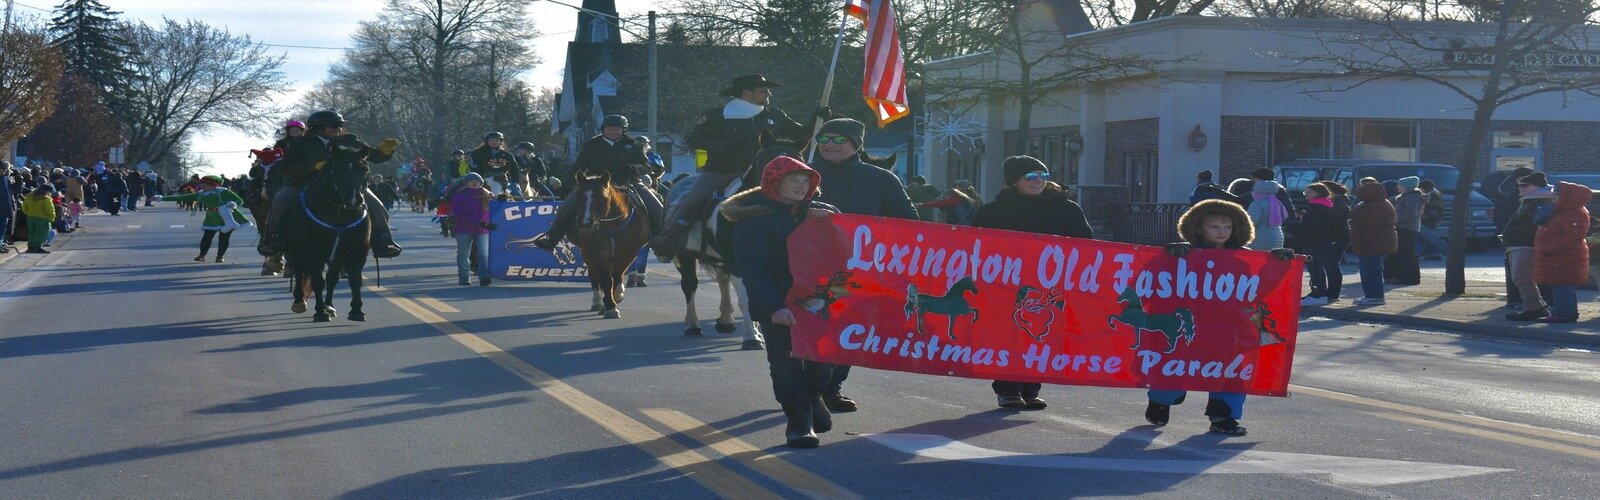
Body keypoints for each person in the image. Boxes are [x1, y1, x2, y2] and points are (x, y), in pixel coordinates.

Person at [1151, 199, 1294, 436]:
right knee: (1175, 366)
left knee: (1231, 369)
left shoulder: (1244, 259)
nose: (1221, 232)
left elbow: (1257, 290)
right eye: (1214, 226)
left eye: (1227, 227)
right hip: (1188, 324)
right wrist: (1168, 257)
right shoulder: (1182, 254)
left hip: (1229, 327)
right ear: (1197, 227)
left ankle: (1224, 415)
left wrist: (1279, 264)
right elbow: (1154, 283)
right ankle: (1160, 400)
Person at [808, 117, 920, 412]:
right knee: (808, 327)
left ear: (856, 144)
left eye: (839, 139)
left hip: (859, 268)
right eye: (824, 139)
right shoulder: (803, 175)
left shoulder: (881, 178)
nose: (830, 145)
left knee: (847, 328)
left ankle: (831, 388)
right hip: (806, 264)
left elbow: (908, 221)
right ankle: (805, 388)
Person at [728, 155, 839, 448]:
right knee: (786, 364)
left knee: (821, 362)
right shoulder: (753, 222)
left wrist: (829, 216)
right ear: (775, 182)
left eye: (806, 181)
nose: (801, 186)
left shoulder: (820, 213)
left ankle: (814, 396)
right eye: (794, 180)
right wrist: (772, 306)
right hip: (779, 303)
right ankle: (798, 421)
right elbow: (754, 270)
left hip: (818, 301)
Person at [649, 74, 814, 258]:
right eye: (763, 90)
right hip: (721, 170)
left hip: (764, 173)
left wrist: (817, 118)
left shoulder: (775, 116)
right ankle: (670, 235)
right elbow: (694, 139)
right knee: (697, 195)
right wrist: (727, 144)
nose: (768, 93)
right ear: (746, 93)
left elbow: (800, 134)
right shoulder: (716, 115)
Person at [974, 155, 1093, 409]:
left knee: (1043, 332)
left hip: (1051, 285)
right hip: (1007, 285)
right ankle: (1007, 388)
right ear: (1014, 181)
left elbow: (1086, 243)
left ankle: (1031, 387)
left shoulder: (1067, 208)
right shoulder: (993, 211)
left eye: (1043, 175)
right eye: (1031, 176)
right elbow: (975, 247)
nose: (1039, 180)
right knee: (1009, 334)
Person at [257, 110, 402, 258]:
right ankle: (272, 239)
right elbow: (287, 166)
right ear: (319, 128)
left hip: (347, 184)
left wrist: (385, 151)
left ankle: (383, 240)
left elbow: (373, 156)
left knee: (378, 206)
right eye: (333, 126)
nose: (338, 129)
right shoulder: (299, 144)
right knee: (281, 201)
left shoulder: (350, 141)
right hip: (303, 183)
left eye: (340, 125)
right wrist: (313, 167)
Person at [531, 115, 665, 251]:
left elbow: (646, 166)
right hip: (594, 184)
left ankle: (661, 240)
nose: (612, 132)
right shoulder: (592, 145)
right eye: (609, 129)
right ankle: (552, 237)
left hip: (628, 182)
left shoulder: (634, 146)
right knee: (569, 204)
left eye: (616, 129)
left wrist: (633, 168)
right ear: (603, 129)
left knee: (655, 206)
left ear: (623, 131)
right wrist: (566, 185)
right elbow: (578, 166)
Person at [154, 175, 251, 262]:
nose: (200, 185)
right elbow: (183, 197)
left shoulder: (224, 192)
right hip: (211, 217)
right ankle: (202, 255)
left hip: (226, 216)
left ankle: (220, 256)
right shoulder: (201, 194)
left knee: (224, 237)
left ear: (211, 184)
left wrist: (232, 205)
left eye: (203, 183)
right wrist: (162, 198)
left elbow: (239, 201)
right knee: (207, 237)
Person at [1533, 182, 1592, 323]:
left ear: (1567, 196)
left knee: (1562, 285)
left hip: (1563, 256)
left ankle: (1562, 313)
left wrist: (1549, 249)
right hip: (1558, 256)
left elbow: (1572, 237)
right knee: (1562, 284)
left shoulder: (1574, 213)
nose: (1553, 196)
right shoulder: (1561, 210)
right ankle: (1568, 313)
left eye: (1557, 194)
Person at [1349, 182, 1398, 305]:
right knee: (1369, 270)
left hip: (1375, 243)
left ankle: (1375, 296)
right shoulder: (1377, 204)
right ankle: (1371, 295)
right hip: (1372, 242)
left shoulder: (1378, 206)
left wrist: (1355, 209)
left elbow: (1361, 219)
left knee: (1371, 270)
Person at [449, 173, 496, 286]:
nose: (474, 182)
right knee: (463, 254)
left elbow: (497, 207)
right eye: (471, 180)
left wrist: (502, 199)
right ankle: (464, 278)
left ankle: (484, 277)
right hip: (464, 229)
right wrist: (479, 223)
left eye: (477, 180)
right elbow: (459, 214)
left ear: (481, 182)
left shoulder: (487, 194)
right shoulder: (459, 195)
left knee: (483, 254)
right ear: (466, 183)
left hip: (482, 230)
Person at [1296, 183, 1338, 306]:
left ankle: (1318, 294)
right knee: (1317, 268)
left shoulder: (1315, 207)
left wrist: (1296, 227)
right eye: (1305, 192)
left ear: (1317, 193)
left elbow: (1310, 227)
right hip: (1322, 241)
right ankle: (1318, 293)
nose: (1306, 195)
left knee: (1315, 269)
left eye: (1309, 192)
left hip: (1313, 242)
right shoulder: (1326, 205)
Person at [1388, 176, 1424, 286]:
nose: (1397, 186)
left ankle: (1410, 278)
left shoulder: (1411, 198)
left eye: (1400, 184)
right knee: (1403, 253)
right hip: (1405, 228)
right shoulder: (1406, 197)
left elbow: (1411, 213)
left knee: (1407, 254)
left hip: (1407, 228)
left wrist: (1396, 220)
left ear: (1406, 186)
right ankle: (1405, 277)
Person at [470, 132, 520, 196]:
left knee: (517, 192)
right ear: (487, 141)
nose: (494, 142)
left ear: (500, 141)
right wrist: (478, 176)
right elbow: (473, 165)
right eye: (491, 140)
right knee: (460, 186)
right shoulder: (478, 153)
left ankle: (523, 204)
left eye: (497, 140)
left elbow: (514, 168)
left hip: (503, 180)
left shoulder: (507, 155)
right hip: (482, 179)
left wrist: (515, 181)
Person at [1246, 177, 1289, 250]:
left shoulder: (1257, 203)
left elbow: (1252, 222)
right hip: (1278, 236)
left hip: (1260, 237)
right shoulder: (1277, 203)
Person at [916, 179, 980, 226]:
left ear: (959, 187)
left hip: (961, 227)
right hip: (969, 226)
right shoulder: (973, 198)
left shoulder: (960, 198)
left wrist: (923, 205)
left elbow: (944, 203)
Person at [21, 184, 57, 254]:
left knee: (32, 233)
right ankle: (37, 247)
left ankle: (30, 247)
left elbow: (24, 207)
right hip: (43, 218)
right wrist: (52, 217)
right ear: (47, 191)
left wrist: (28, 213)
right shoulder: (45, 198)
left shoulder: (29, 197)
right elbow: (50, 210)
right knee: (41, 233)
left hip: (31, 217)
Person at [1417, 179, 1447, 260]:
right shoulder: (1434, 194)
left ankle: (1419, 252)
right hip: (1431, 219)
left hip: (1429, 219)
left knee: (1425, 236)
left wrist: (1425, 216)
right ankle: (1434, 253)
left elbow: (1435, 210)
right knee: (1424, 237)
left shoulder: (1432, 196)